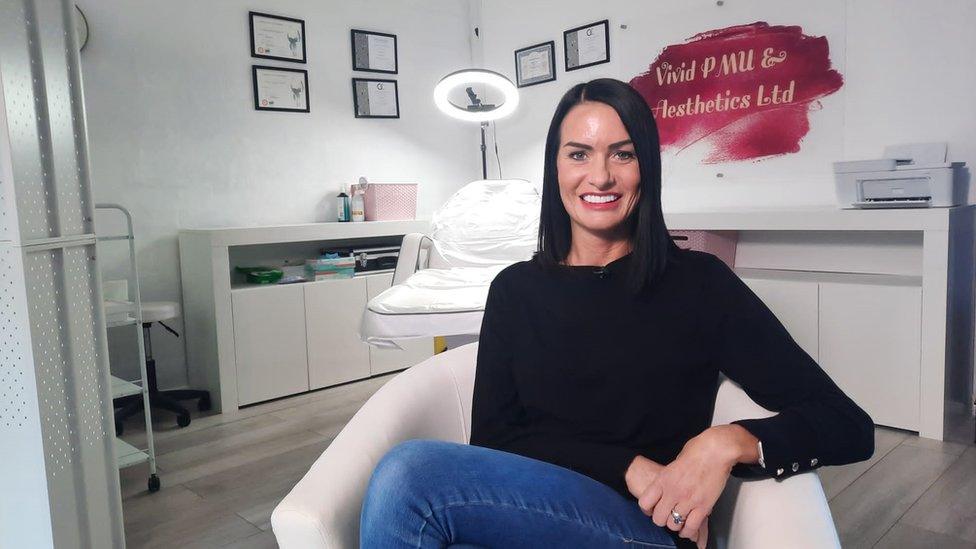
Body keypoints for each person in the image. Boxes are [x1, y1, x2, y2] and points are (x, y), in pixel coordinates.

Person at [359, 78, 874, 548]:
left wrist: (725, 442)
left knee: (411, 477)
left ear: (645, 166)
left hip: (643, 527)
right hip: (532, 514)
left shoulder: (699, 284)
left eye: (622, 154)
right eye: (578, 154)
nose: (599, 176)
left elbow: (848, 425)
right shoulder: (515, 290)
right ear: (555, 168)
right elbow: (496, 442)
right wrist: (626, 466)